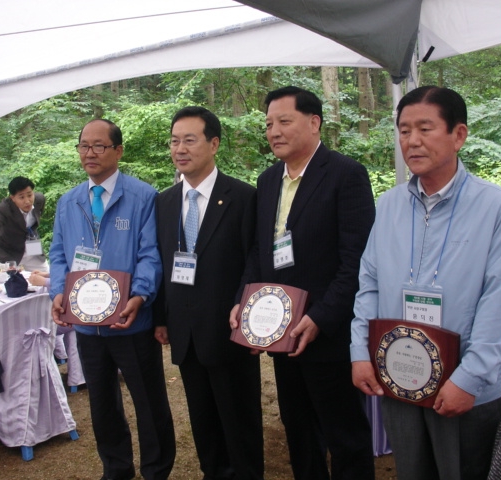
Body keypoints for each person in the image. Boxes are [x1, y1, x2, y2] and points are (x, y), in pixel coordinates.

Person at [350, 86, 501, 480]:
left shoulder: (497, 207)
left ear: (458, 135)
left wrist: (469, 378)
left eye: (425, 128)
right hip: (399, 376)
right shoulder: (390, 204)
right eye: (403, 129)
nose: (411, 141)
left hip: (463, 387)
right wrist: (359, 351)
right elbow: (370, 284)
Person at [230, 86, 376, 480]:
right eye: (268, 124)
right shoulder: (267, 180)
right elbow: (259, 252)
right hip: (282, 333)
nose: (273, 131)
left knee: (344, 434)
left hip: (327, 335)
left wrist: (321, 317)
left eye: (283, 121)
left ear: (314, 123)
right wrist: (246, 301)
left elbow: (357, 262)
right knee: (299, 432)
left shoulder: (346, 174)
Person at [49, 119, 175, 480]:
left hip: (132, 321)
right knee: (102, 404)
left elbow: (151, 253)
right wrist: (58, 291)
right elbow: (58, 254)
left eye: (99, 146)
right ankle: (116, 468)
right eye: (83, 146)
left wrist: (140, 295)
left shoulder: (143, 197)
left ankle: (156, 471)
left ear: (118, 151)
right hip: (88, 327)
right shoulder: (68, 202)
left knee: (149, 403)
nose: (90, 153)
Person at [154, 107, 263, 480]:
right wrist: (162, 318)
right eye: (173, 141)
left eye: (189, 140)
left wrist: (248, 316)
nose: (179, 149)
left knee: (239, 421)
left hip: (229, 331)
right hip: (185, 332)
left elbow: (255, 261)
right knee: (203, 422)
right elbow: (162, 265)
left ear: (214, 144)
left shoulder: (244, 197)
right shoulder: (164, 202)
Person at [0, 176, 48, 271]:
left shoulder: (39, 200)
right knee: (10, 283)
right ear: (13, 198)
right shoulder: (4, 208)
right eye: (21, 197)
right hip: (11, 252)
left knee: (46, 277)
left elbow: (37, 216)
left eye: (29, 195)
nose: (27, 201)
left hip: (33, 247)